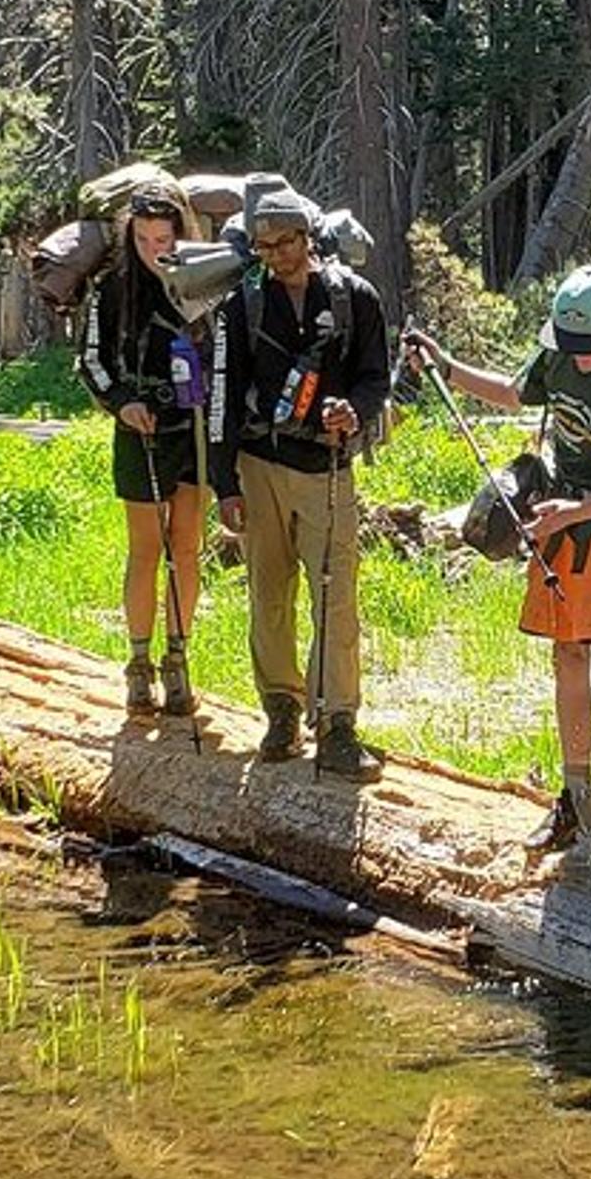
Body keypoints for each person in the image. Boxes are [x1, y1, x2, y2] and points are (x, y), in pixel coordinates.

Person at [405, 265, 591, 868]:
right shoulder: (559, 355)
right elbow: (513, 391)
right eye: (573, 347)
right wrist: (445, 366)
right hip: (557, 526)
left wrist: (576, 511)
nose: (581, 359)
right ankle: (576, 797)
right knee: (568, 657)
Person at [206, 184, 389, 781]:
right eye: (264, 246)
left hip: (327, 467)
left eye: (285, 243)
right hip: (259, 466)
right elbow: (222, 395)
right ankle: (281, 712)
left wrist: (353, 413)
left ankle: (337, 723)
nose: (276, 256)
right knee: (269, 592)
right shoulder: (242, 306)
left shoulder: (355, 299)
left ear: (308, 239)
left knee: (335, 596)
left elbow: (374, 378)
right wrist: (222, 483)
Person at [78, 180, 208, 719]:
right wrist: (123, 403)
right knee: (145, 550)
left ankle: (178, 660)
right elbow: (91, 361)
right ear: (129, 237)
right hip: (141, 430)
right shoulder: (112, 292)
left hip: (194, 429)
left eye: (164, 237)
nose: (156, 249)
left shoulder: (205, 284)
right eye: (145, 238)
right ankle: (138, 665)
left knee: (187, 548)